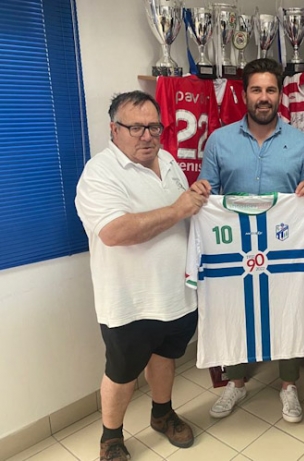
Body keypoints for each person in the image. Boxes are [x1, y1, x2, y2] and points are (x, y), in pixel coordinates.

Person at [190, 58, 304, 423]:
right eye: (256, 89)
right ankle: (235, 382)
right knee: (232, 304)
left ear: (280, 94)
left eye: (270, 90)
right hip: (235, 248)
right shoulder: (220, 141)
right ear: (244, 93)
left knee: (290, 304)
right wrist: (201, 191)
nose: (263, 97)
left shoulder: (301, 144)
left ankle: (289, 385)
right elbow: (209, 194)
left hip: (285, 245)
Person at [75, 91, 207, 461]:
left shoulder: (168, 161)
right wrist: (178, 208)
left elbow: (182, 214)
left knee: (165, 358)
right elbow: (115, 232)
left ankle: (162, 414)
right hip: (129, 301)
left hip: (177, 295)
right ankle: (111, 437)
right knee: (121, 373)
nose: (147, 135)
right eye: (136, 127)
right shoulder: (99, 173)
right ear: (113, 129)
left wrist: (193, 198)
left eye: (154, 126)